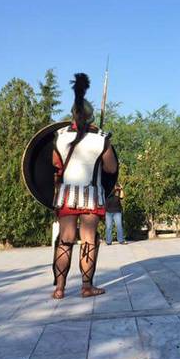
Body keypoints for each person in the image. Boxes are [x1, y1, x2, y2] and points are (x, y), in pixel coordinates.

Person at [51, 73, 118, 299]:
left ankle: (59, 289)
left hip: (67, 194)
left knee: (65, 239)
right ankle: (86, 287)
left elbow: (55, 163)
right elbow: (111, 168)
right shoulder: (101, 138)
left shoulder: (60, 136)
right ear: (90, 117)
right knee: (89, 239)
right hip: (91, 195)